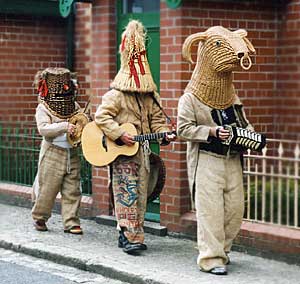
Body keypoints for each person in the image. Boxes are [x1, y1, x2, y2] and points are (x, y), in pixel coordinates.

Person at [177, 26, 256, 275]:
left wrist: (252, 136)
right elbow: (182, 129)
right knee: (210, 211)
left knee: (234, 210)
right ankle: (211, 258)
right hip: (208, 159)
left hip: (232, 159)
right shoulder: (189, 98)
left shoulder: (232, 97)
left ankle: (223, 250)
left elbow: (243, 122)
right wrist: (210, 132)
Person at [94, 20, 176, 254]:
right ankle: (129, 236)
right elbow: (101, 118)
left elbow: (158, 124)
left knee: (140, 196)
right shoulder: (116, 95)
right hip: (123, 156)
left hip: (143, 155)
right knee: (126, 194)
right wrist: (120, 134)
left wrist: (165, 137)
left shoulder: (151, 97)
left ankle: (129, 234)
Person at [32, 67, 83, 235]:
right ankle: (40, 216)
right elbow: (43, 129)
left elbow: (82, 119)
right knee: (48, 187)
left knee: (72, 189)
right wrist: (64, 126)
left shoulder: (73, 105)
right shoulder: (43, 108)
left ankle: (71, 222)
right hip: (53, 151)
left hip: (72, 152)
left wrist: (84, 122)